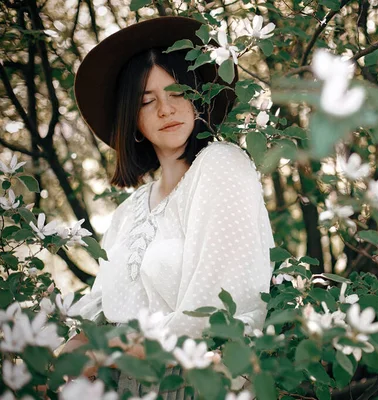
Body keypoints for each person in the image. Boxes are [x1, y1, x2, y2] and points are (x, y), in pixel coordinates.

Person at [64, 16, 275, 395]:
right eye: (147, 100)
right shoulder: (128, 210)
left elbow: (219, 308)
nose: (165, 108)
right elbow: (103, 306)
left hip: (195, 380)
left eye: (177, 92)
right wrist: (75, 347)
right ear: (132, 120)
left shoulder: (220, 165)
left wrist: (113, 349)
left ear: (197, 96)